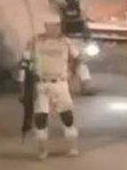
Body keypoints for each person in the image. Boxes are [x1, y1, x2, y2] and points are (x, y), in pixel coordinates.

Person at [19, 20, 81, 160]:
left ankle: (72, 146)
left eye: (56, 25)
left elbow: (77, 58)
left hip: (60, 82)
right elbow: (24, 63)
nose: (53, 28)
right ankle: (43, 150)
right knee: (40, 117)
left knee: (66, 116)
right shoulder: (35, 42)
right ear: (46, 26)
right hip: (42, 83)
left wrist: (73, 72)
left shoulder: (65, 42)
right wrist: (21, 85)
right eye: (50, 25)